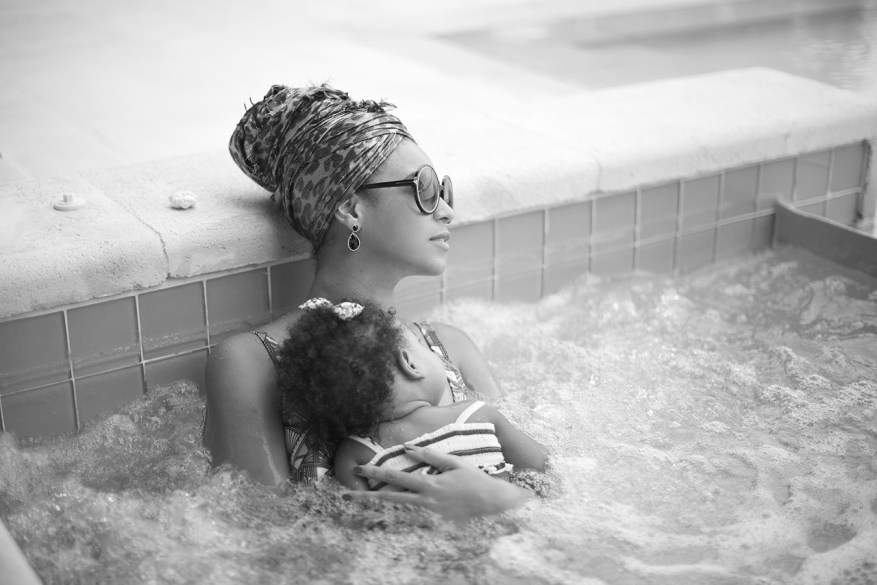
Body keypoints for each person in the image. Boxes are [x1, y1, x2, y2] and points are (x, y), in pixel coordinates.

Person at [203, 83, 534, 517]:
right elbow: (260, 531)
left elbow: (547, 483)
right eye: (425, 188)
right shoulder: (252, 361)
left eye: (444, 191)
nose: (447, 211)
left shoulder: (452, 346)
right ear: (351, 208)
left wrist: (504, 499)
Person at [277, 298, 547, 491]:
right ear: (410, 364)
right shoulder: (478, 414)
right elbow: (543, 472)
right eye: (421, 344)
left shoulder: (356, 456)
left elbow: (357, 526)